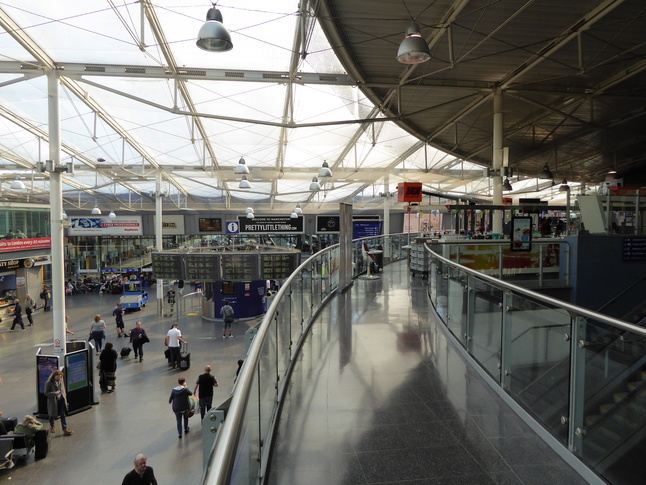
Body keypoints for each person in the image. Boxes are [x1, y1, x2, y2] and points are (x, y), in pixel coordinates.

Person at [44, 370, 73, 435]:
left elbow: (63, 389)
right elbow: (46, 393)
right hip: (54, 401)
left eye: (60, 377)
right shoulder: (49, 383)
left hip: (61, 400)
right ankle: (52, 425)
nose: (59, 378)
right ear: (54, 376)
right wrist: (54, 393)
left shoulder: (61, 380)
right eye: (57, 377)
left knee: (63, 414)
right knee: (52, 415)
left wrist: (65, 399)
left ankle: (65, 429)